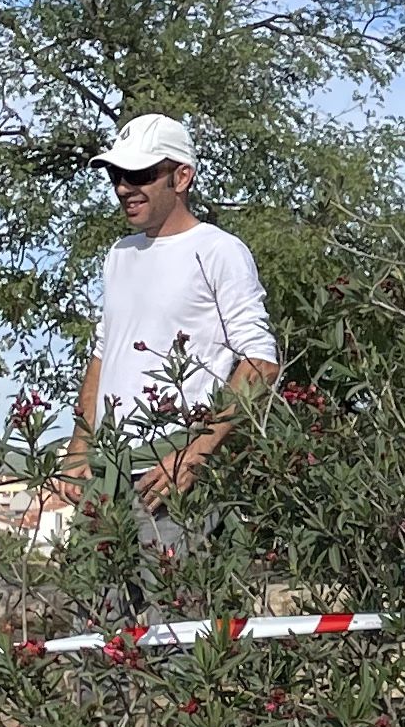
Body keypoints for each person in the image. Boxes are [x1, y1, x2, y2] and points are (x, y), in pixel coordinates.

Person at [56, 112, 278, 517]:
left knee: (175, 582)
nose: (124, 187)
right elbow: (104, 353)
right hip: (106, 475)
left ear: (181, 177)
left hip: (169, 477)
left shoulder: (219, 250)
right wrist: (79, 445)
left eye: (140, 174)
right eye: (117, 175)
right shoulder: (119, 254)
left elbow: (260, 362)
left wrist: (195, 455)